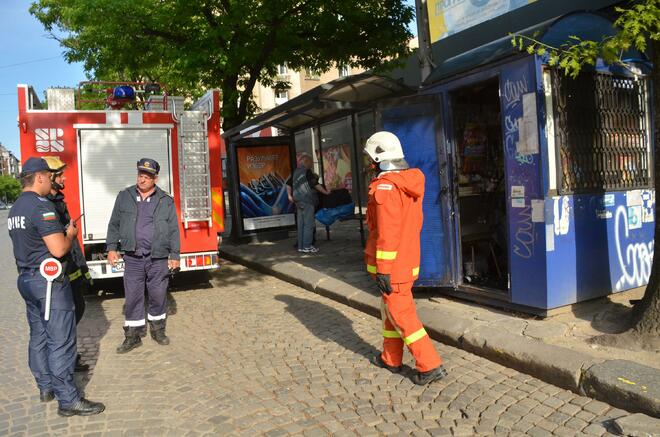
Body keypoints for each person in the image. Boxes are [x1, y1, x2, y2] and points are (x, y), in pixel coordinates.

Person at [8, 157, 105, 416]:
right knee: (61, 340)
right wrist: (70, 234)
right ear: (39, 177)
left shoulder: (16, 207)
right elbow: (59, 248)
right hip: (49, 283)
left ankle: (45, 387)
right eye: (49, 177)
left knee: (38, 336)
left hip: (26, 280)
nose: (52, 180)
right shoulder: (41, 207)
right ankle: (68, 399)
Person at [363, 131, 447, 385]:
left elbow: (387, 233)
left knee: (401, 314)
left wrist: (384, 269)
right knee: (390, 310)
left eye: (370, 159)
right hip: (406, 261)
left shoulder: (386, 189)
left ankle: (430, 365)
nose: (368, 164)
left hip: (393, 266)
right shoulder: (406, 183)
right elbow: (414, 225)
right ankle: (391, 358)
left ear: (380, 158)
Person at [106, 158, 180, 353]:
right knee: (133, 297)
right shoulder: (124, 196)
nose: (142, 179)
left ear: (155, 178)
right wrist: (112, 248)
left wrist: (175, 254)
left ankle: (158, 330)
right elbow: (114, 224)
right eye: (140, 175)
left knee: (157, 295)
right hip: (133, 257)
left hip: (158, 257)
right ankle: (132, 336)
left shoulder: (165, 200)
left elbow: (173, 229)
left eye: (147, 177)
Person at [43, 156, 91, 372]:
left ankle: (69, 358)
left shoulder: (58, 202)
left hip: (70, 270)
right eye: (60, 174)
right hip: (56, 276)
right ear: (50, 177)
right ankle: (60, 365)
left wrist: (82, 269)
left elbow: (71, 242)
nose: (64, 178)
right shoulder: (45, 206)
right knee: (60, 323)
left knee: (76, 311)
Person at [287, 153, 330, 253]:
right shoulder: (307, 171)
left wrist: (289, 196)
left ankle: (301, 247)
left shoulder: (295, 172)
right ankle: (307, 246)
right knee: (309, 224)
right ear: (305, 162)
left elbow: (288, 185)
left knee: (301, 224)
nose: (311, 165)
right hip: (307, 200)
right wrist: (326, 192)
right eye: (310, 163)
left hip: (297, 201)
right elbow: (315, 184)